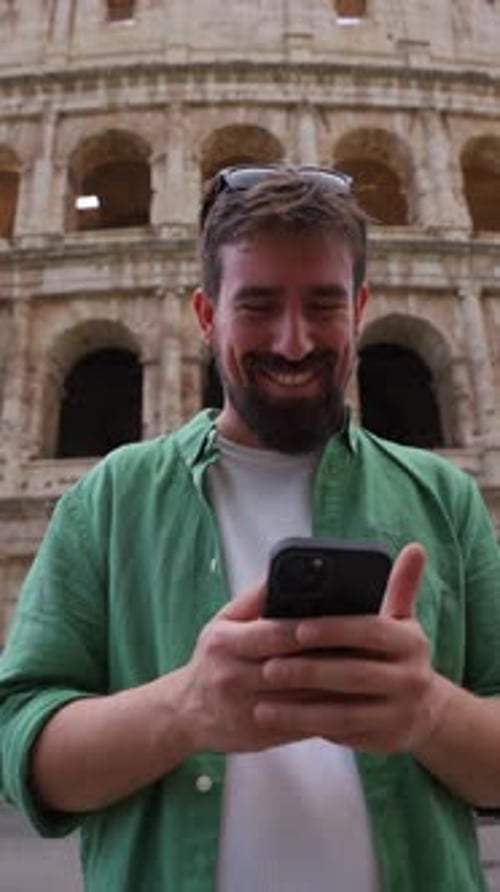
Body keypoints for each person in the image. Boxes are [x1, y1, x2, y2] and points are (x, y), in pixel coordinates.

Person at [0, 164, 499, 892]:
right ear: (206, 316)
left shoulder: (446, 499)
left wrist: (427, 711)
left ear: (360, 309)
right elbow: (19, 747)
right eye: (258, 306)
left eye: (323, 305)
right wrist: (188, 708)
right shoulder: (111, 498)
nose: (293, 342)